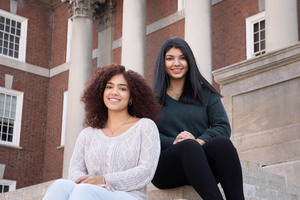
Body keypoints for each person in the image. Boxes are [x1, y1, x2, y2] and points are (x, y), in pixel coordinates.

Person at [43, 64, 161, 200]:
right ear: (101, 92)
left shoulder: (145, 126)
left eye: (122, 88)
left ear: (132, 97)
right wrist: (94, 185)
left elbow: (145, 171)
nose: (114, 92)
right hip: (90, 191)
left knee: (84, 191)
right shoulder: (87, 134)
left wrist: (104, 180)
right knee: (60, 185)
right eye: (109, 87)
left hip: (130, 196)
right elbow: (75, 171)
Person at [151, 37, 245, 200]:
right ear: (163, 63)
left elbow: (222, 126)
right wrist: (176, 140)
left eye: (182, 57)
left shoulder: (205, 94)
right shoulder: (152, 99)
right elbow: (146, 134)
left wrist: (200, 141)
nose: (176, 63)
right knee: (187, 146)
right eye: (170, 58)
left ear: (189, 61)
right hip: (166, 168)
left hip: (201, 167)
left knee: (222, 143)